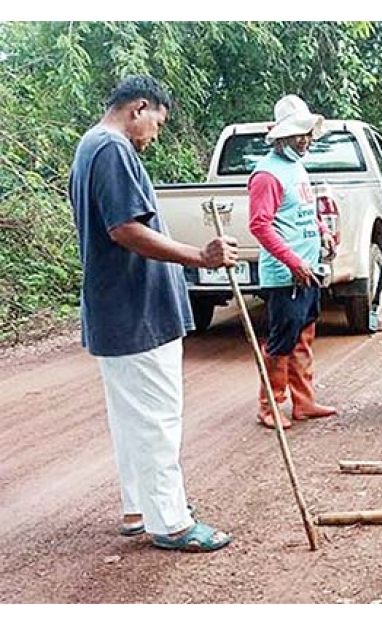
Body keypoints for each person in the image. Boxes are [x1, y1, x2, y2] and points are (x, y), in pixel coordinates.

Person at [68, 75, 236, 552]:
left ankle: (140, 506)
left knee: (132, 417)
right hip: (135, 310)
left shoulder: (89, 148)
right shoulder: (113, 150)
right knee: (158, 417)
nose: (155, 135)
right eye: (156, 124)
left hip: (115, 310)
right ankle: (172, 522)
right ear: (138, 108)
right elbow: (124, 228)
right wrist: (197, 257)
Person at [248, 94, 338, 430]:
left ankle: (304, 402)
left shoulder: (296, 167)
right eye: (299, 134)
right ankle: (269, 405)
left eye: (307, 133)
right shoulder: (267, 175)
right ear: (282, 135)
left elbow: (301, 210)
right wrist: (292, 262)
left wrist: (321, 232)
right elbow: (260, 224)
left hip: (307, 271)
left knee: (304, 335)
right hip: (285, 276)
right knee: (281, 342)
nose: (306, 140)